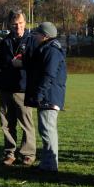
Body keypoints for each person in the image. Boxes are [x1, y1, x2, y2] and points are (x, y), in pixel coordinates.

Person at [0, 9, 37, 166]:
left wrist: (22, 64)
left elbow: (37, 64)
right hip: (5, 89)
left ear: (25, 23)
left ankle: (28, 154)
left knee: (26, 124)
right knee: (7, 124)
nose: (18, 27)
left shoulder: (32, 41)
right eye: (14, 24)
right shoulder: (4, 42)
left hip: (23, 89)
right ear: (10, 25)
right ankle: (9, 153)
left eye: (21, 23)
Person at [24, 22, 67, 172]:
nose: (34, 36)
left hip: (49, 96)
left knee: (47, 130)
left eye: (37, 33)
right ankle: (49, 162)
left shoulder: (52, 51)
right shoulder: (49, 48)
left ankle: (49, 165)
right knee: (47, 129)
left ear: (45, 36)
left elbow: (48, 75)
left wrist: (39, 94)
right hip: (48, 95)